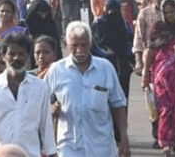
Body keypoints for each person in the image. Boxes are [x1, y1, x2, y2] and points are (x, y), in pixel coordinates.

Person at [44, 22, 131, 156]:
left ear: (90, 43)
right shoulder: (56, 70)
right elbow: (41, 104)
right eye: (74, 45)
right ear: (67, 44)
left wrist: (124, 138)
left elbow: (118, 105)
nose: (79, 50)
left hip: (102, 149)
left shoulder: (105, 68)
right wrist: (51, 109)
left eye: (84, 45)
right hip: (69, 149)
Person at [0, 34, 58, 157]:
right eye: (11, 54)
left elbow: (46, 126)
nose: (16, 58)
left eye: (21, 54)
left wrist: (51, 153)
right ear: (4, 56)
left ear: (28, 56)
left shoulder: (40, 87)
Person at [141, 0, 175, 156]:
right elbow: (150, 51)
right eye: (166, 12)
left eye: (172, 11)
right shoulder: (157, 28)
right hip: (161, 75)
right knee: (165, 108)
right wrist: (145, 74)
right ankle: (165, 143)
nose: (170, 15)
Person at [95, 0, 136, 97]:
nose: (111, 13)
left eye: (114, 10)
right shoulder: (99, 24)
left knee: (122, 95)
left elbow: (130, 42)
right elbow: (95, 45)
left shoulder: (125, 24)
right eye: (109, 10)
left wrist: (131, 58)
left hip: (123, 65)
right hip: (103, 65)